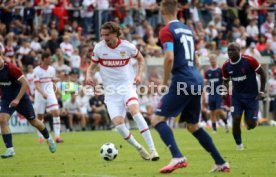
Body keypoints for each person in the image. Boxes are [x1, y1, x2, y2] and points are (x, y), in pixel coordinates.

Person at [150, 0, 229, 173]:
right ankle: (221, 162)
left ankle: (177, 157)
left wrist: (164, 82)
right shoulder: (188, 29)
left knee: (156, 119)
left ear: (162, 11)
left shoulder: (166, 31)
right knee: (193, 125)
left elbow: (169, 57)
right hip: (196, 78)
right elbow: (196, 60)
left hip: (182, 80)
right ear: (177, 10)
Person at [86, 21, 159, 161]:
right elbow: (91, 67)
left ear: (115, 33)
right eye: (102, 35)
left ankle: (153, 149)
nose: (104, 38)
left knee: (135, 112)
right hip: (111, 92)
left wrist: (138, 75)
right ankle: (139, 148)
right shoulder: (99, 48)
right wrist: (89, 75)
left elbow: (141, 59)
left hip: (127, 86)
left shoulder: (127, 46)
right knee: (119, 125)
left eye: (107, 35)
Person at [0, 53, 56, 158]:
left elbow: (25, 84)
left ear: (1, 57)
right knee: (2, 120)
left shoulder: (11, 68)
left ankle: (49, 139)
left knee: (34, 121)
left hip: (21, 99)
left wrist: (17, 99)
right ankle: (10, 149)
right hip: (6, 99)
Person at [222, 42, 266, 150]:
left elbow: (263, 73)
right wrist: (224, 91)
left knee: (251, 124)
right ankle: (239, 145)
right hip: (236, 97)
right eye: (229, 50)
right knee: (235, 118)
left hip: (252, 96)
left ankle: (250, 120)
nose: (230, 52)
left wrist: (261, 91)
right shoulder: (226, 66)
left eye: (233, 50)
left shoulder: (249, 60)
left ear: (239, 50)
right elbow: (225, 81)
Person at [33, 52, 64, 144]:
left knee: (56, 112)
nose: (51, 60)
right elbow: (37, 85)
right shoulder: (37, 70)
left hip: (50, 93)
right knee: (40, 117)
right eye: (49, 58)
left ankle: (57, 137)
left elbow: (52, 82)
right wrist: (42, 93)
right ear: (44, 59)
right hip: (40, 94)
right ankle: (41, 137)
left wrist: (58, 91)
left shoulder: (52, 69)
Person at [204, 54, 229, 133]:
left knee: (219, 110)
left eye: (213, 59)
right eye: (211, 59)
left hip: (218, 93)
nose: (212, 61)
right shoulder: (207, 72)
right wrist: (205, 94)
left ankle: (226, 123)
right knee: (212, 112)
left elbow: (225, 81)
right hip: (211, 94)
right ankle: (214, 129)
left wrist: (224, 91)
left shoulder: (220, 70)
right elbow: (206, 83)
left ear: (216, 60)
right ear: (209, 61)